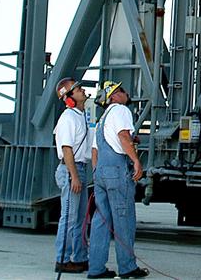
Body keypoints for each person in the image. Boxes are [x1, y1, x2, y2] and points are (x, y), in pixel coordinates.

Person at [87, 81, 146, 280]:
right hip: (117, 169)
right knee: (124, 219)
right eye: (121, 91)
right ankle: (127, 267)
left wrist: (97, 172)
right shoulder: (121, 110)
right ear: (113, 97)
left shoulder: (102, 119)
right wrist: (136, 160)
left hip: (101, 170)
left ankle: (95, 268)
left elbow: (95, 150)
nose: (125, 92)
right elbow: (122, 136)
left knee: (101, 220)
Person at [53, 78, 92, 275]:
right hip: (71, 170)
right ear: (68, 98)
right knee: (69, 217)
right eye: (77, 89)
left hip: (80, 169)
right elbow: (67, 149)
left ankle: (79, 257)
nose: (82, 90)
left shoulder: (80, 115)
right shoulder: (68, 118)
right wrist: (74, 176)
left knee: (81, 217)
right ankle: (63, 259)